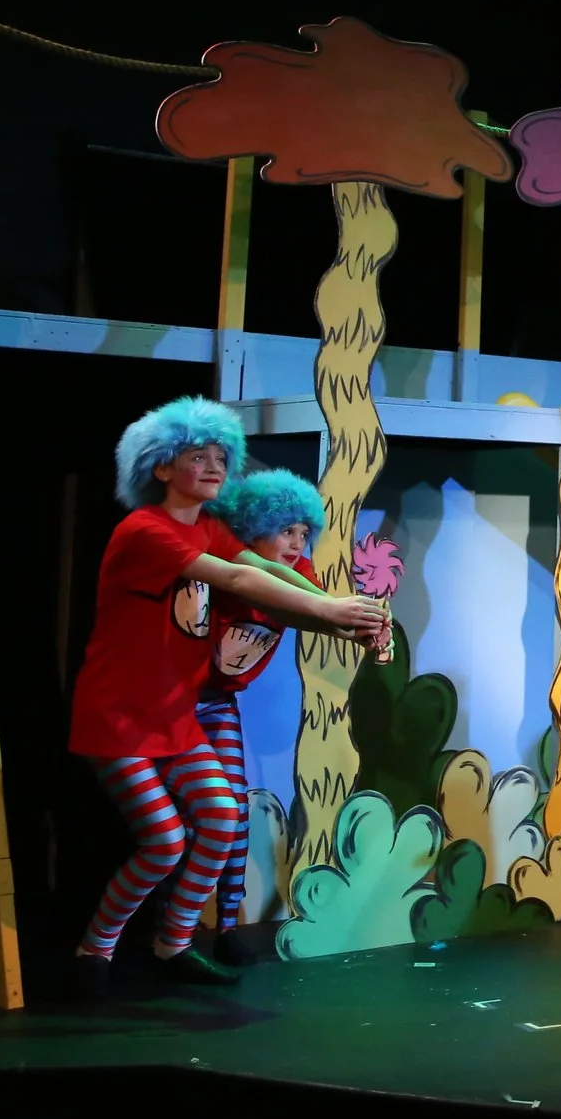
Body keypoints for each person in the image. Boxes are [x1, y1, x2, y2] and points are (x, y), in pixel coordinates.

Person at [68, 400, 385, 995]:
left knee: (221, 817)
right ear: (161, 468)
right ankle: (95, 948)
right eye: (197, 456)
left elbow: (270, 572)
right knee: (164, 840)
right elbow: (240, 579)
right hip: (117, 717)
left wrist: (339, 615)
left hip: (175, 716)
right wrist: (326, 608)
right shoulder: (145, 529)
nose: (214, 466)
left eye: (221, 457)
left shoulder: (211, 527)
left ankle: (174, 942)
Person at [199, 466, 380, 963]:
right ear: (255, 526)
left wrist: (357, 625)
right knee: (186, 821)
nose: (298, 542)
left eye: (304, 532)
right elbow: (256, 584)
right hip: (175, 700)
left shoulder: (302, 577)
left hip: (216, 703)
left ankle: (229, 924)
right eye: (286, 530)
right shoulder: (223, 565)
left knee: (234, 812)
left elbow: (311, 612)